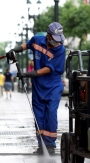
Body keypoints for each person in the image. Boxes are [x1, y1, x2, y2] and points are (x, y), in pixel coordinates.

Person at [6, 22, 65, 155]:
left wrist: (27, 74)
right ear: (48, 36)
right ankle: (41, 145)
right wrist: (14, 50)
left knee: (50, 112)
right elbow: (27, 45)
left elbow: (47, 69)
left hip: (53, 85)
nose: (58, 42)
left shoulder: (60, 50)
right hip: (38, 86)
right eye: (55, 39)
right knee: (38, 115)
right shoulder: (38, 40)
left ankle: (50, 145)